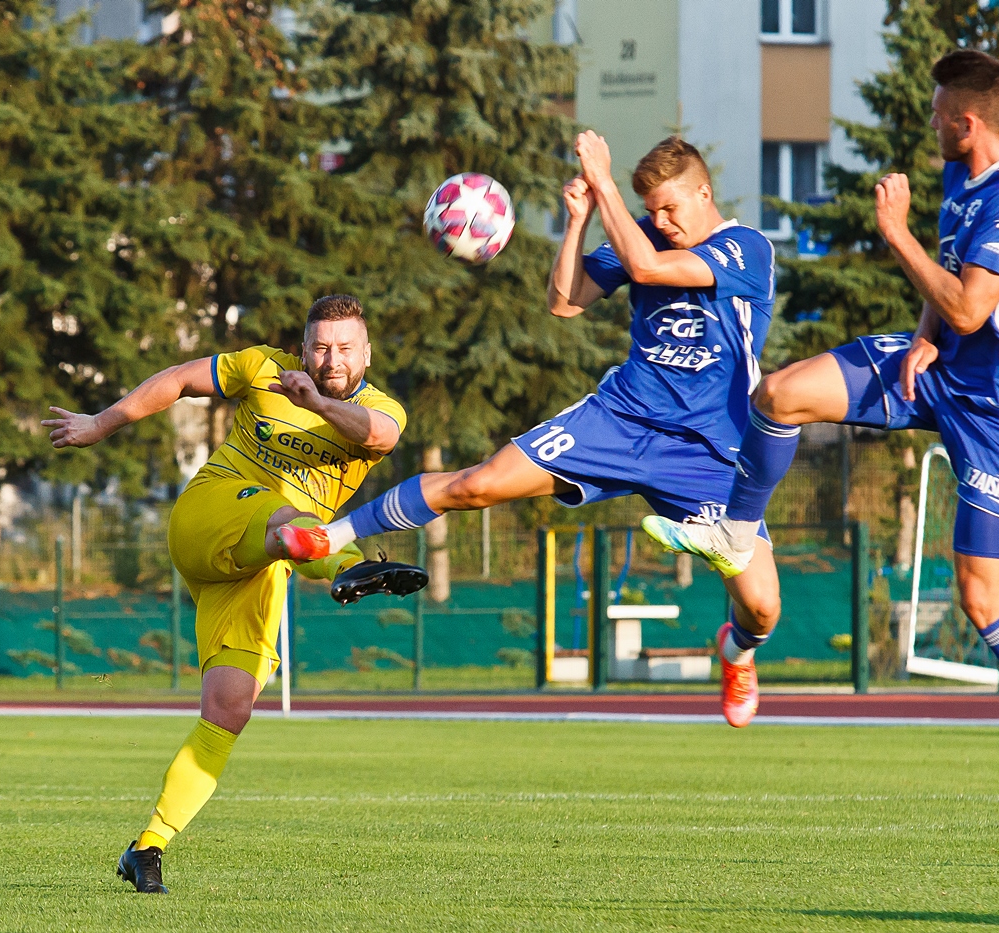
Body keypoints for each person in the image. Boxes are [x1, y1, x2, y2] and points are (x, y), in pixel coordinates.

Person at [645, 50, 999, 856]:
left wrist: (894, 237)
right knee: (779, 393)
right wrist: (925, 338)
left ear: (968, 123)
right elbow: (951, 299)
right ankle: (733, 530)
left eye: (937, 114)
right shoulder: (963, 182)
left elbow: (970, 305)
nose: (930, 123)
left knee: (982, 597)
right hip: (933, 372)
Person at [276, 132, 783, 727]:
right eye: (652, 212)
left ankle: (736, 652)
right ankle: (331, 538)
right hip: (620, 419)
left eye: (671, 207)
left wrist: (605, 180)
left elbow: (649, 268)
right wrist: (578, 221)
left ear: (705, 191)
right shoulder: (638, 234)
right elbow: (565, 302)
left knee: (762, 607)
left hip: (708, 451)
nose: (661, 221)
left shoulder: (747, 248)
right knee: (476, 484)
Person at [43, 295, 426, 893]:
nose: (332, 360)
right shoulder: (262, 367)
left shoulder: (382, 408)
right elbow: (176, 380)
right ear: (302, 348)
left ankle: (147, 847)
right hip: (213, 513)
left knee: (229, 708)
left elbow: (378, 438)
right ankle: (352, 567)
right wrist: (100, 423)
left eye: (345, 348)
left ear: (366, 353)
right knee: (291, 523)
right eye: (321, 347)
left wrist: (317, 404)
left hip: (268, 560)